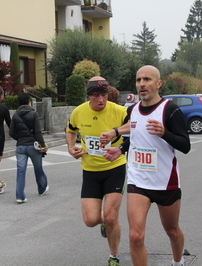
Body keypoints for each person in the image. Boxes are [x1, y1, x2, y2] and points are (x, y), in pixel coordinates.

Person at [100, 65, 191, 266]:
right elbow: (137, 136)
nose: (142, 84)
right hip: (138, 181)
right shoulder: (132, 110)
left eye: (147, 79)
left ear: (158, 84)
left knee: (172, 230)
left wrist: (164, 133)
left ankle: (178, 262)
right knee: (135, 236)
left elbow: (185, 146)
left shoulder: (170, 109)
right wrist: (121, 149)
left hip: (165, 182)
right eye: (139, 80)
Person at [66, 76, 128, 266]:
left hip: (115, 168)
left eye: (103, 94)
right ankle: (106, 221)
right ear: (89, 96)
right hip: (90, 170)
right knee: (90, 220)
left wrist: (116, 131)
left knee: (111, 217)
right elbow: (71, 130)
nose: (100, 99)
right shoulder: (79, 112)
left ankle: (114, 255)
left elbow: (136, 126)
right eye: (95, 95)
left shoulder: (120, 111)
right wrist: (70, 148)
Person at [9, 93, 49, 203]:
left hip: (20, 147)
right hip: (33, 146)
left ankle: (20, 196)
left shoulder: (15, 115)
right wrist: (42, 145)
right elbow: (38, 132)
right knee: (38, 168)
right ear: (28, 102)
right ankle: (41, 189)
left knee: (20, 172)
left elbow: (11, 132)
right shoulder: (33, 114)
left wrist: (20, 139)